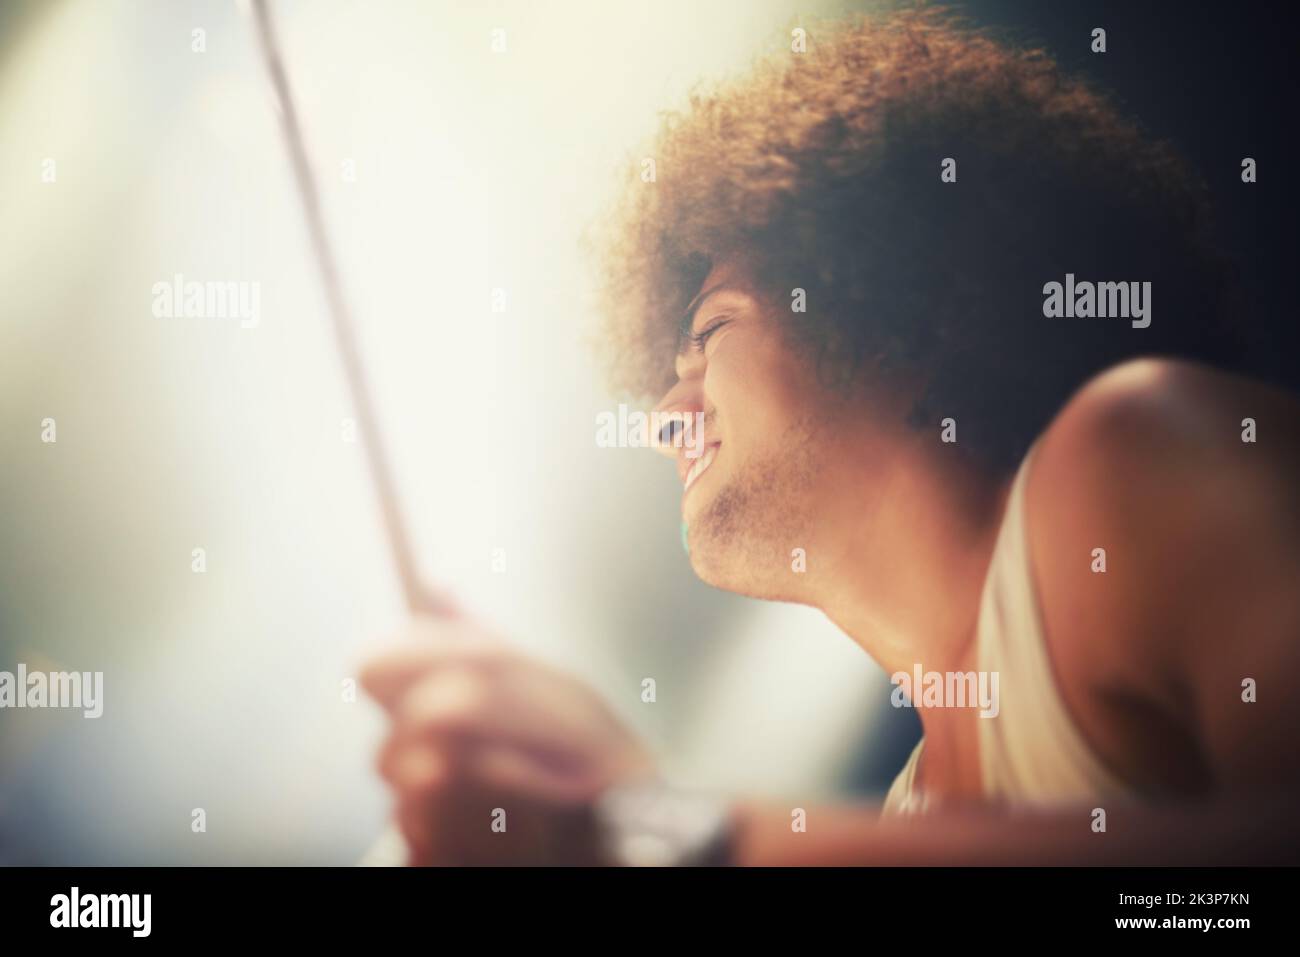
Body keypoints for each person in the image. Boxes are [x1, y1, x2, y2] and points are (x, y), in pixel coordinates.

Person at [360, 8, 1300, 865]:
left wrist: (661, 833)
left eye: (711, 333)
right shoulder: (904, 810)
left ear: (896, 314)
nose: (660, 418)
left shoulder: (1129, 452)